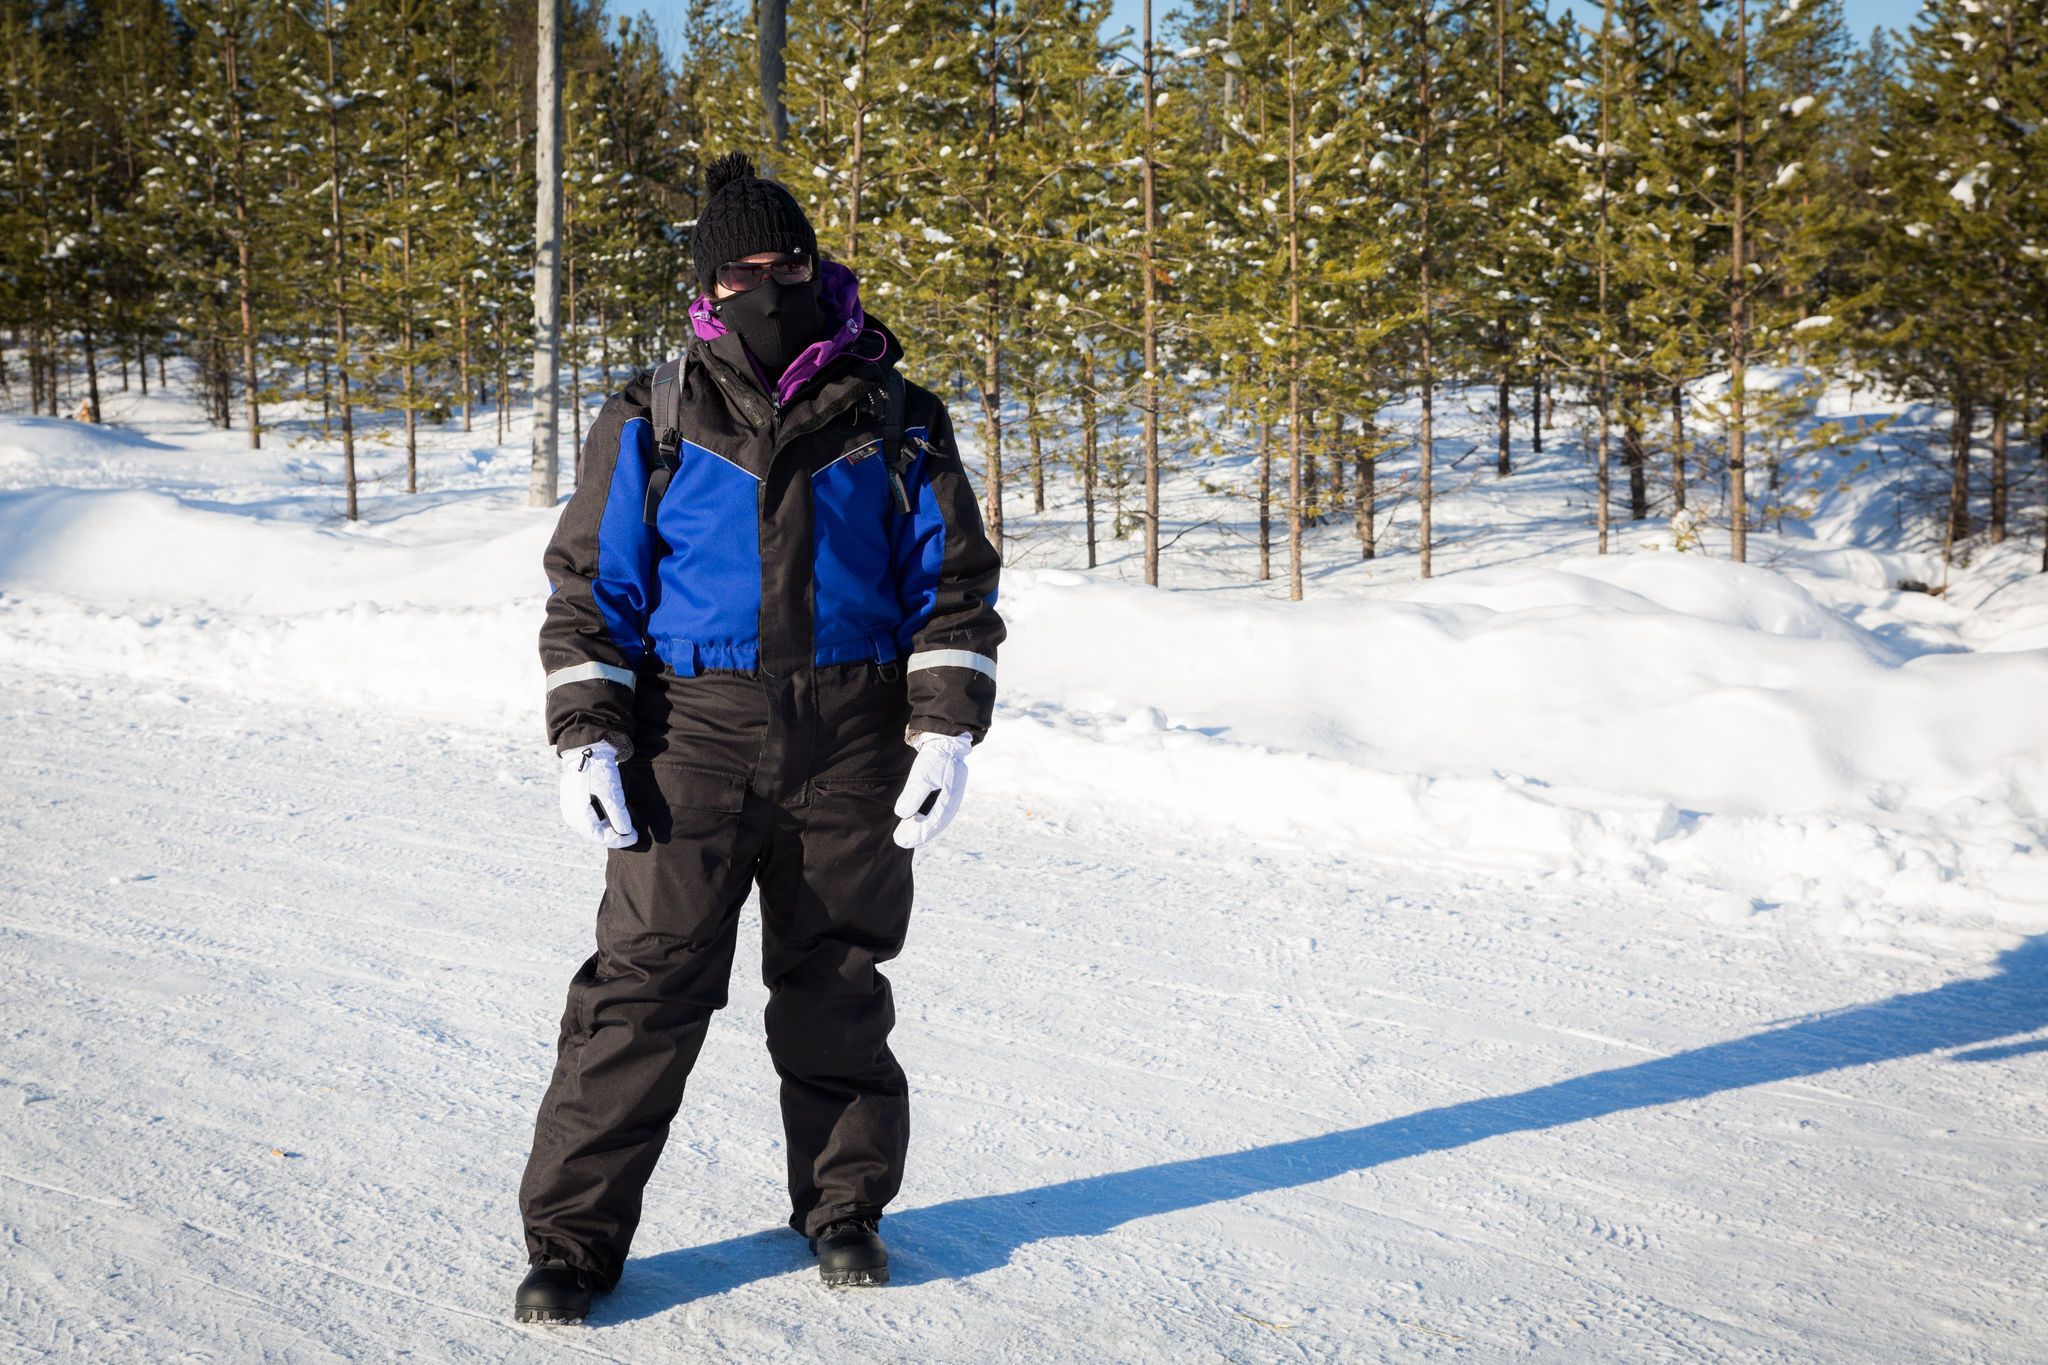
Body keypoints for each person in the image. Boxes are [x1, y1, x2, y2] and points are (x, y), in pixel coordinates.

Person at [512, 152, 1004, 1325]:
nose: (768, 285)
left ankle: (842, 1211)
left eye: (787, 262)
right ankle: (573, 1245)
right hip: (690, 738)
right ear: (705, 284)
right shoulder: (655, 413)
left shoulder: (894, 413)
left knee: (835, 983)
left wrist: (942, 732)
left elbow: (952, 588)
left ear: (816, 262)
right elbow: (589, 592)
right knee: (640, 992)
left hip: (850, 740)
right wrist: (588, 733)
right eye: (741, 271)